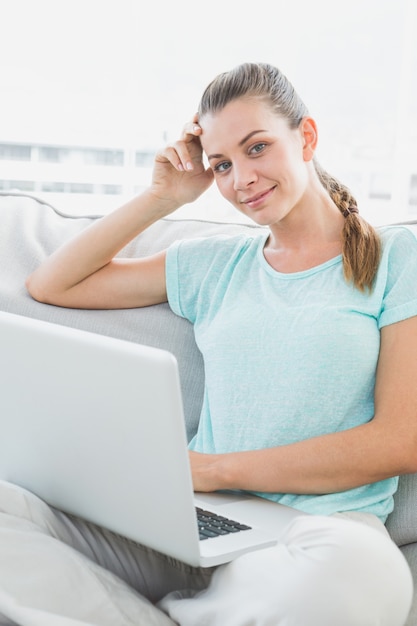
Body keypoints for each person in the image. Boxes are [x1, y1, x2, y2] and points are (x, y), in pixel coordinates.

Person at [1, 62, 416, 626]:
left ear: (308, 137)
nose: (241, 178)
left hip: (319, 537)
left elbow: (400, 441)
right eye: (222, 164)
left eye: (258, 148)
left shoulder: (397, 259)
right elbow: (51, 284)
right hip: (187, 524)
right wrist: (161, 197)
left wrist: (214, 470)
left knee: (367, 579)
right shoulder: (214, 264)